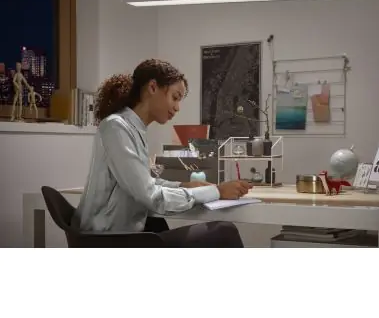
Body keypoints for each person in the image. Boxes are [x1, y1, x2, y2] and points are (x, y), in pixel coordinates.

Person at [72, 59, 252, 247]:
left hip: (122, 232)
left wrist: (184, 185)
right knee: (225, 231)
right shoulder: (116, 127)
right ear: (152, 87)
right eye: (175, 97)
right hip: (105, 239)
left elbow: (144, 182)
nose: (177, 108)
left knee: (163, 226)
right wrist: (216, 191)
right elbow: (151, 196)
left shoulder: (133, 129)